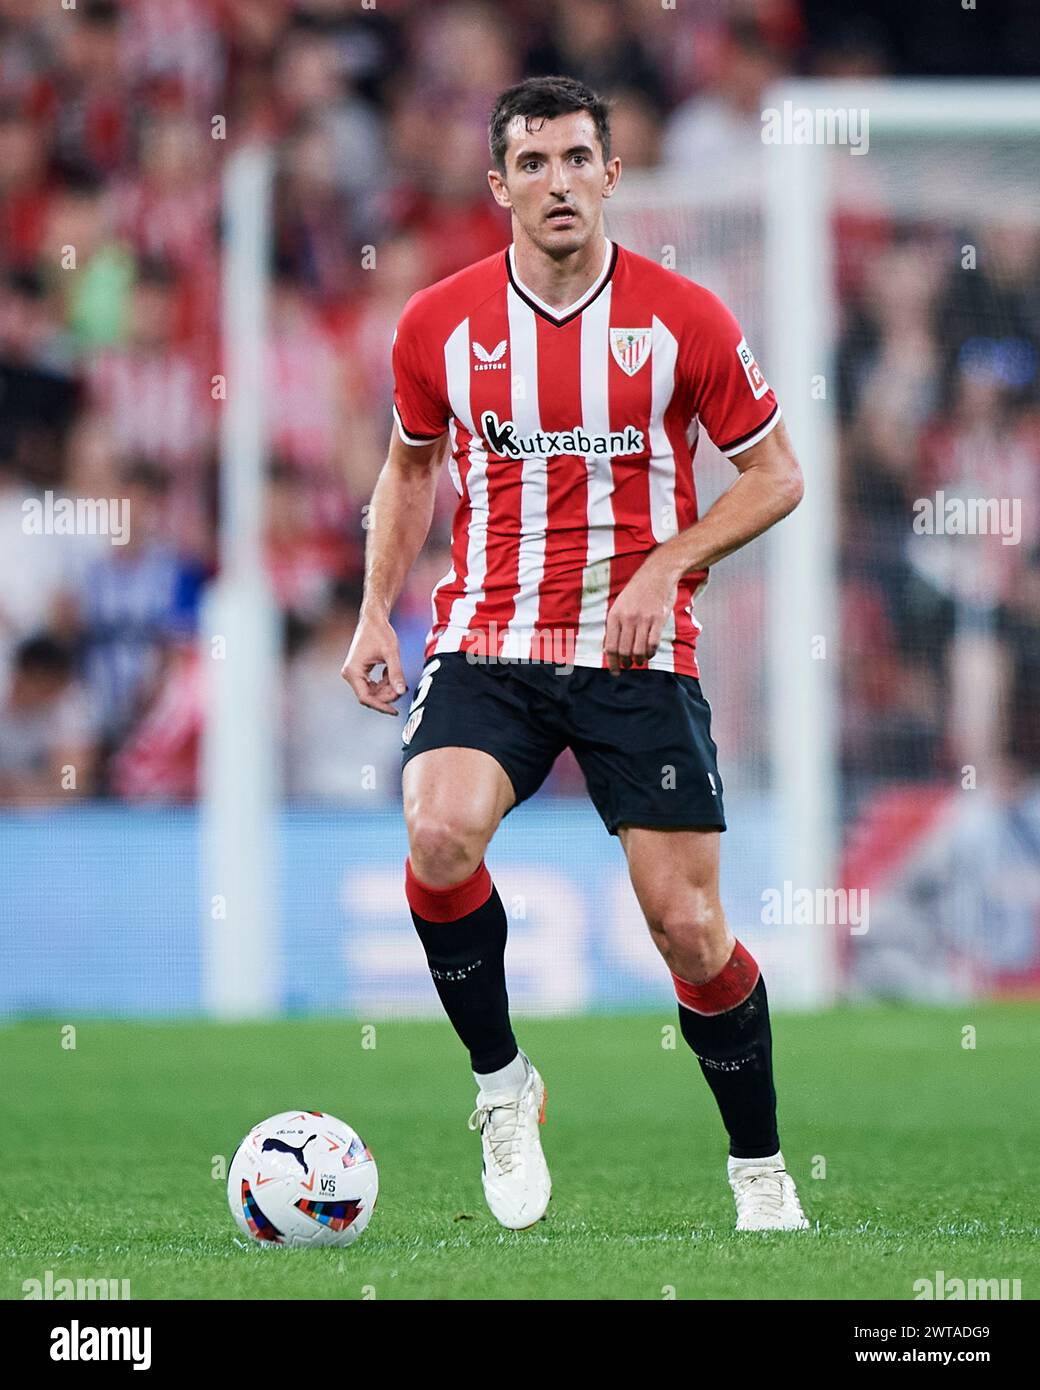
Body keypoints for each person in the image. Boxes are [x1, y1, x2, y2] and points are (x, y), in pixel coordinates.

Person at [343, 75, 808, 1233]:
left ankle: (757, 1167)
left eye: (577, 159)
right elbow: (407, 468)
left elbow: (776, 474)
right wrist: (371, 611)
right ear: (498, 185)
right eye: (533, 163)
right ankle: (502, 1087)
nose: (558, 182)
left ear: (610, 172)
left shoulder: (682, 319)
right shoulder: (436, 325)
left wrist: (665, 565)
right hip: (487, 638)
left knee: (688, 929)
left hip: (633, 650)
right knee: (437, 830)